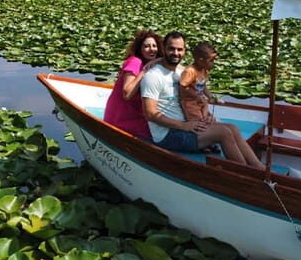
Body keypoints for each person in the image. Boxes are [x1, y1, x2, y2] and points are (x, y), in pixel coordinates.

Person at [141, 32, 264, 168]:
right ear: (163, 48)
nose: (176, 53)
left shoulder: (181, 72)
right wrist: (184, 126)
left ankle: (259, 169)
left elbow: (194, 98)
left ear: (185, 51)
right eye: (171, 48)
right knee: (224, 133)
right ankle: (245, 175)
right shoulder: (153, 76)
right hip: (169, 134)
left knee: (233, 128)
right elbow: (150, 114)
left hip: (190, 124)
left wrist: (207, 116)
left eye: (180, 49)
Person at [103, 30, 163, 139]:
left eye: (154, 46)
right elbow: (127, 93)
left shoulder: (155, 66)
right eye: (146, 46)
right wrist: (145, 70)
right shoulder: (135, 62)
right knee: (162, 133)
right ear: (140, 49)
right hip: (122, 118)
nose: (152, 49)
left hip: (137, 115)